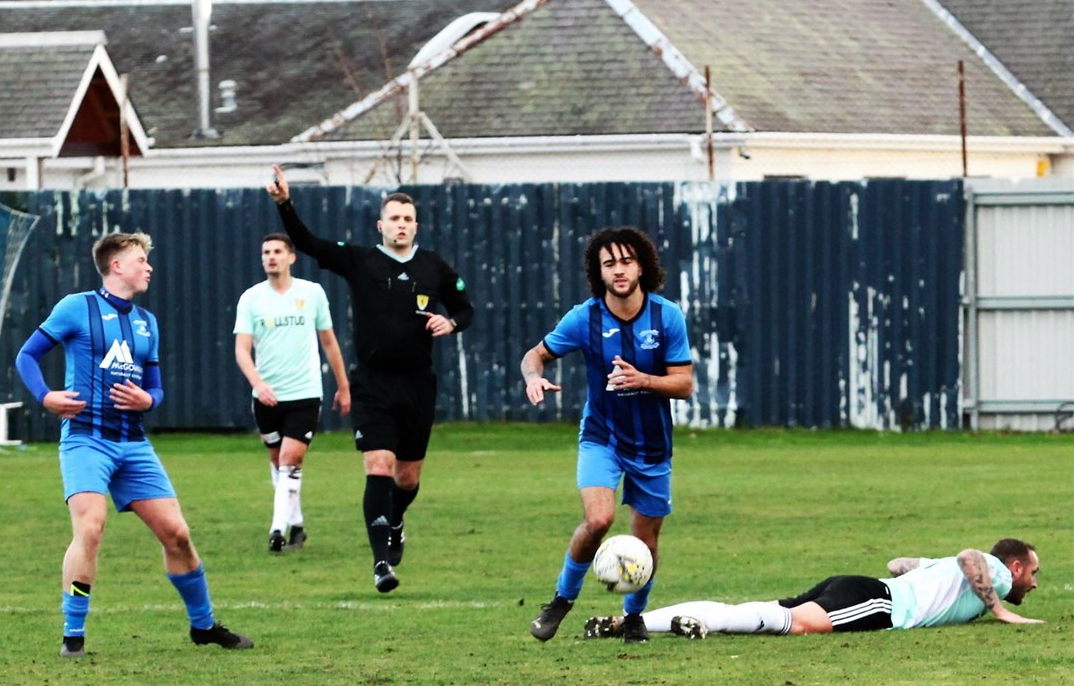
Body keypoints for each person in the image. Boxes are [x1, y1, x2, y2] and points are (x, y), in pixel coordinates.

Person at [15, 231, 253, 658]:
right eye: (141, 259)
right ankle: (73, 636)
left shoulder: (147, 322)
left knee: (177, 535)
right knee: (90, 528)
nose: (149, 267)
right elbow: (26, 356)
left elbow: (155, 389)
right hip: (87, 439)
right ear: (117, 265)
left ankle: (203, 627)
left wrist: (149, 400)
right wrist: (45, 396)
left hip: (134, 445)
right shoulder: (76, 307)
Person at [265, 165, 473, 593]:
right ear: (381, 225)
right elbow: (306, 242)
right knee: (378, 466)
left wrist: (450, 324)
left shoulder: (434, 266)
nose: (401, 225)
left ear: (416, 226)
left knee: (408, 478)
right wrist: (285, 204)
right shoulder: (361, 260)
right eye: (394, 218)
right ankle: (381, 563)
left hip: (417, 384)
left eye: (408, 219)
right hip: (373, 385)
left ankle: (396, 521)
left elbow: (465, 309)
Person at [522, 226, 693, 644]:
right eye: (609, 263)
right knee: (598, 519)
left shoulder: (666, 315)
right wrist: (533, 378)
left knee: (646, 540)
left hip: (652, 443)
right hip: (602, 436)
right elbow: (536, 355)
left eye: (626, 261)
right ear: (598, 272)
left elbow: (685, 384)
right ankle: (561, 601)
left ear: (642, 266)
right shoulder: (585, 317)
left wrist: (646, 380)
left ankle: (633, 617)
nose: (619, 270)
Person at [583, 538, 1043, 639]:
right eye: (1033, 574)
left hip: (859, 585)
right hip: (878, 603)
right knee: (795, 626)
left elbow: (899, 562)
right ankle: (676, 624)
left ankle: (634, 621)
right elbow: (969, 557)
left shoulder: (954, 573)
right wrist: (1000, 610)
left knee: (749, 608)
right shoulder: (997, 572)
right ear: (1015, 566)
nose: (1034, 583)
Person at [234, 232, 351, 553]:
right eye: (266, 252)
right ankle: (296, 524)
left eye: (277, 251)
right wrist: (258, 384)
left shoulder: (312, 293)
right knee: (279, 464)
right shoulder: (251, 298)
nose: (271, 257)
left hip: (305, 393)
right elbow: (242, 350)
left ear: (291, 257)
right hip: (267, 397)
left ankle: (276, 530)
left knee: (290, 460)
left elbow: (329, 341)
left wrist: (343, 386)